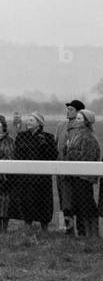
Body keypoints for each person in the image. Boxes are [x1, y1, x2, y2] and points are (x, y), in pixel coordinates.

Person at [11, 112, 56, 232]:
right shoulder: (22, 136)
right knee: (27, 201)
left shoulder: (48, 137)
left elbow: (53, 156)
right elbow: (16, 154)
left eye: (32, 120)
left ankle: (44, 228)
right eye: (28, 120)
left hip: (42, 178)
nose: (28, 122)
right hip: (26, 177)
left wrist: (44, 145)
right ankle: (28, 226)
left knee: (44, 202)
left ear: (39, 123)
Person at [62, 108, 100, 237]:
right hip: (75, 176)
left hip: (84, 177)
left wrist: (70, 151)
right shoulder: (76, 135)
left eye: (79, 119)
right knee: (75, 205)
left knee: (87, 205)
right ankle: (80, 232)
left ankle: (93, 233)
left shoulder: (88, 137)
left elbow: (87, 158)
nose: (76, 121)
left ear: (86, 122)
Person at [56, 99, 85, 235]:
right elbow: (56, 145)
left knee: (78, 202)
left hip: (76, 171)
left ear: (79, 112)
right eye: (67, 109)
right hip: (61, 169)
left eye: (71, 109)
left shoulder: (82, 128)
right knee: (64, 201)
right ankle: (66, 230)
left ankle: (82, 231)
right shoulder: (61, 126)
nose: (68, 111)